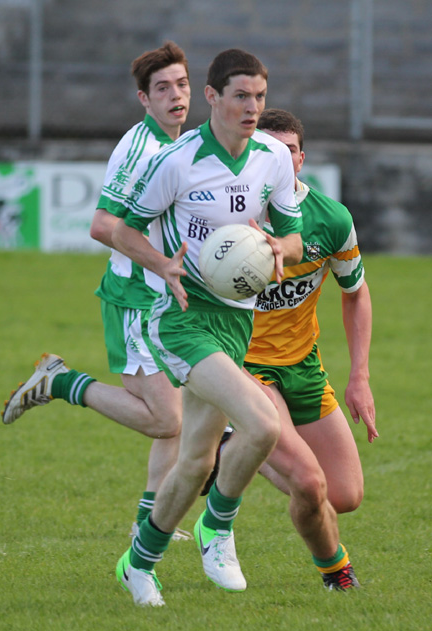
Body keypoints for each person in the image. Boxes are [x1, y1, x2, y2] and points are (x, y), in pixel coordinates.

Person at [111, 49, 303, 607]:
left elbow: (293, 236)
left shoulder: (271, 156)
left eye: (260, 97)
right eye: (241, 96)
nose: (252, 107)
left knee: (196, 458)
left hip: (237, 320)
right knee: (262, 425)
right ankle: (217, 527)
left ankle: (138, 562)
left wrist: (277, 248)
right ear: (214, 97)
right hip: (183, 318)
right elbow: (122, 230)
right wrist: (162, 264)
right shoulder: (178, 159)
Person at [1, 41, 193, 540]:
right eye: (163, 88)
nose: (176, 95)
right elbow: (102, 225)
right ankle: (58, 381)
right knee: (167, 421)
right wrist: (163, 267)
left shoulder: (183, 142)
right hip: (136, 297)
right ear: (143, 98)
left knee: (182, 413)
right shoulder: (139, 148)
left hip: (168, 296)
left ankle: (150, 522)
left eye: (182, 84)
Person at [242, 108, 377, 590]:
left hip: (303, 366)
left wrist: (359, 375)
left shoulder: (331, 219)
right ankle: (337, 572)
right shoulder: (233, 215)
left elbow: (355, 293)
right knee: (308, 482)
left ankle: (238, 450)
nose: (279, 160)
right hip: (244, 368)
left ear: (302, 158)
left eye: (288, 151)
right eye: (268, 151)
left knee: (344, 495)